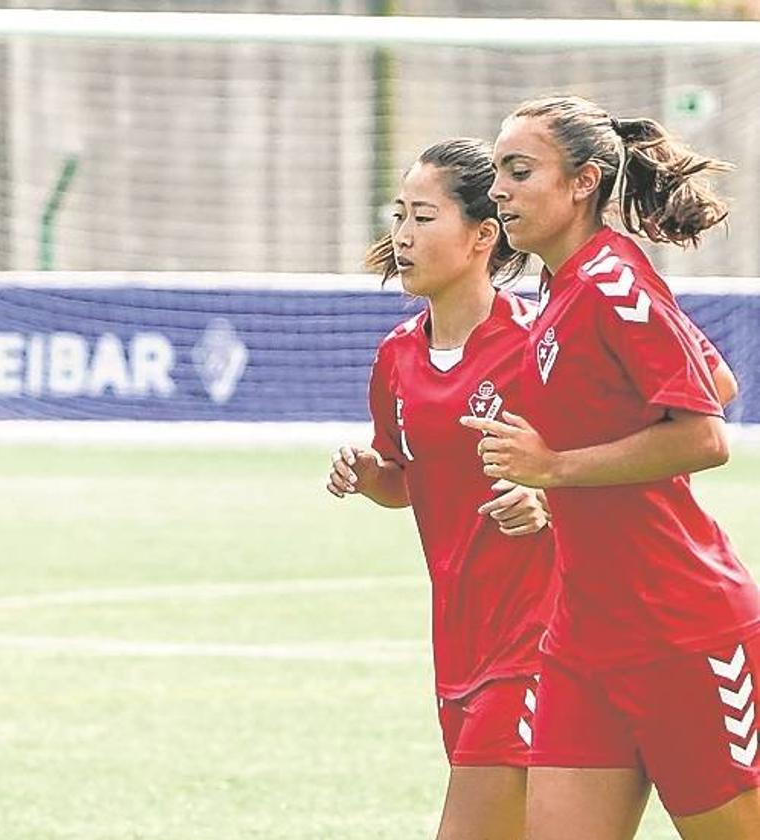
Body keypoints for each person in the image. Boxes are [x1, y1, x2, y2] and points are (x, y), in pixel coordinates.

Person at [464, 94, 760, 840]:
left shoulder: (612, 282)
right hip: (581, 636)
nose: (498, 189)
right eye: (497, 170)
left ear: (584, 181)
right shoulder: (563, 286)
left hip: (680, 630)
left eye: (519, 170)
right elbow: (711, 374)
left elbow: (705, 432)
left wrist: (556, 466)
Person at [327, 138, 555, 840]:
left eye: (423, 218)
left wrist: (548, 495)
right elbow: (410, 481)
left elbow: (612, 461)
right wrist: (373, 478)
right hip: (459, 642)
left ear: (483, 235)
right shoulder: (396, 355)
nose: (401, 236)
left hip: (540, 639)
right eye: (399, 216)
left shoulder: (539, 340)